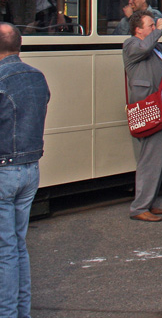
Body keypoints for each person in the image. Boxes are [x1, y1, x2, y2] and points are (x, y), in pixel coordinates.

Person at [0, 23, 51, 318]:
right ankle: (22, 312)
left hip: (4, 169)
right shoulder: (36, 76)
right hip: (30, 169)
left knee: (5, 250)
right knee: (18, 245)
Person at [123, 11, 162, 222]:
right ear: (138, 29)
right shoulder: (131, 45)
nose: (153, 28)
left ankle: (148, 203)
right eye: (149, 25)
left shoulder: (157, 47)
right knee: (150, 159)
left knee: (159, 159)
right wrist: (158, 31)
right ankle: (139, 207)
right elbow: (144, 47)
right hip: (151, 107)